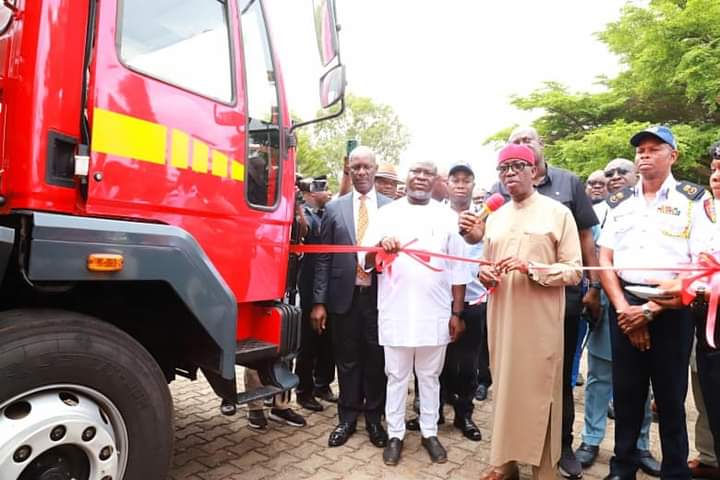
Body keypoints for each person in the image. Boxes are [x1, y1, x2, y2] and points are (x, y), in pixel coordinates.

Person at [597, 125, 715, 480]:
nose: (643, 155)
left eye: (653, 148)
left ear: (673, 155)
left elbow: (702, 264)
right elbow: (605, 259)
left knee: (670, 400)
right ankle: (622, 468)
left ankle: (675, 471)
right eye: (640, 150)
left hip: (672, 308)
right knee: (627, 395)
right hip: (625, 304)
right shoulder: (619, 203)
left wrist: (650, 311)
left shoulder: (693, 200)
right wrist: (625, 310)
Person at [490, 127, 600, 479]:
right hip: (502, 317)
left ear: (533, 171)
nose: (510, 174)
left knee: (542, 393)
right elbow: (486, 264)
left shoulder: (557, 213)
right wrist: (485, 275)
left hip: (541, 321)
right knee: (505, 388)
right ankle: (505, 462)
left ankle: (544, 467)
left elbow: (572, 270)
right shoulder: (495, 216)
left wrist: (532, 268)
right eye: (504, 168)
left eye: (518, 167)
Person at [361, 160, 470, 466]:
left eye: (428, 173)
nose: (421, 178)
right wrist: (381, 247)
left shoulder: (449, 217)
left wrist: (457, 313)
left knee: (430, 377)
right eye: (416, 172)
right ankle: (395, 434)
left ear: (436, 180)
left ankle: (429, 432)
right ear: (407, 177)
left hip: (435, 312)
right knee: (396, 376)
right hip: (395, 310)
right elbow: (364, 262)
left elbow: (458, 269)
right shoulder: (386, 214)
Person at [575, 159, 660, 475]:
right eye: (608, 173)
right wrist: (594, 292)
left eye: (620, 172)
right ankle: (590, 440)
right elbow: (591, 255)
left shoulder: (651, 207)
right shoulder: (596, 211)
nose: (613, 178)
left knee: (643, 380)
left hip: (644, 305)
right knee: (599, 377)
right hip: (606, 303)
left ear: (635, 175)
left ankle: (640, 445)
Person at [311, 146, 392, 448]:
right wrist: (319, 301)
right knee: (346, 360)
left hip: (379, 297)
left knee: (375, 358)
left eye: (365, 167)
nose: (360, 172)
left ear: (374, 169)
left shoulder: (390, 207)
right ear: (348, 170)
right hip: (343, 297)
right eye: (354, 167)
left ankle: (373, 418)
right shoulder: (334, 208)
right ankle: (346, 418)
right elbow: (322, 258)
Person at [651, 140, 720, 479]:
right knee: (707, 394)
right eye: (715, 169)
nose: (717, 176)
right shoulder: (706, 211)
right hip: (704, 322)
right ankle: (710, 458)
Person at [440, 162, 485, 440]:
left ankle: (464, 414)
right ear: (447, 184)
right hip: (438, 299)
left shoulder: (486, 217)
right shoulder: (436, 216)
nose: (460, 184)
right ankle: (431, 412)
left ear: (473, 185)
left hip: (474, 300)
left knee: (468, 362)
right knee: (436, 360)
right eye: (454, 179)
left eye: (465, 180)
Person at [295, 176, 337, 412]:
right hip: (310, 287)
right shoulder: (305, 214)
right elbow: (303, 230)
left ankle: (323, 384)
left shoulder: (327, 214)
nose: (328, 192)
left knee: (327, 343)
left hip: (329, 288)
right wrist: (297, 204)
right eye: (322, 188)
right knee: (308, 343)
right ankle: (304, 391)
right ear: (309, 193)